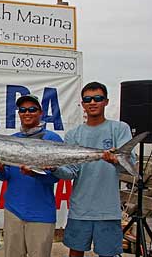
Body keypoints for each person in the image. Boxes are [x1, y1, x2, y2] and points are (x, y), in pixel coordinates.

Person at [51, 82, 134, 257]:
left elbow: (129, 164)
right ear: (82, 104)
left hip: (108, 210)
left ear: (106, 101)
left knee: (107, 254)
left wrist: (115, 161)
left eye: (98, 98)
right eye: (88, 99)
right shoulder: (73, 135)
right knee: (75, 253)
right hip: (80, 209)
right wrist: (52, 167)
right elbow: (71, 172)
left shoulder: (119, 129)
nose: (93, 102)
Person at [0, 94, 62, 257]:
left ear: (40, 113)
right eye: (23, 110)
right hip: (13, 211)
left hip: (41, 214)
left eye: (32, 109)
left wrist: (35, 174)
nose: (27, 113)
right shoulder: (11, 140)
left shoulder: (52, 138)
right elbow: (6, 176)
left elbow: (56, 177)